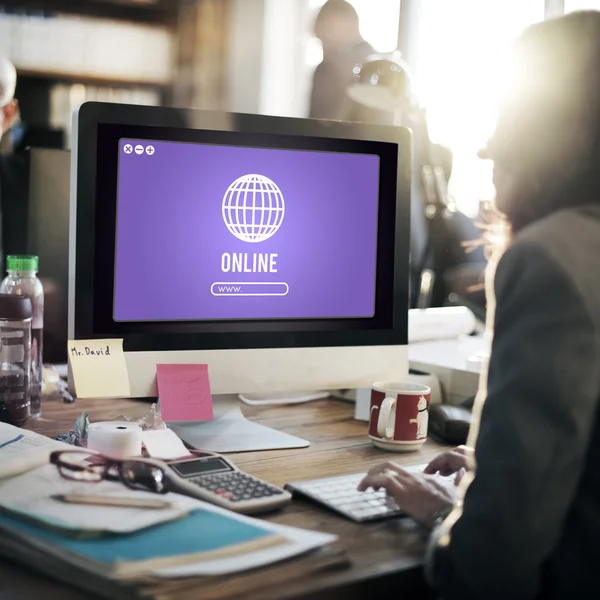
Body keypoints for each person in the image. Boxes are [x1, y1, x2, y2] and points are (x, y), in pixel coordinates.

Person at [358, 11, 600, 599]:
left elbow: (492, 561)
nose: (487, 146)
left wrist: (447, 516)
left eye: (507, 118)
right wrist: (492, 474)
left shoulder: (554, 257)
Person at [309, 0, 374, 121]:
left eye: (323, 40)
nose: (324, 50)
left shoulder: (327, 69)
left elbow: (315, 129)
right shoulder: (380, 67)